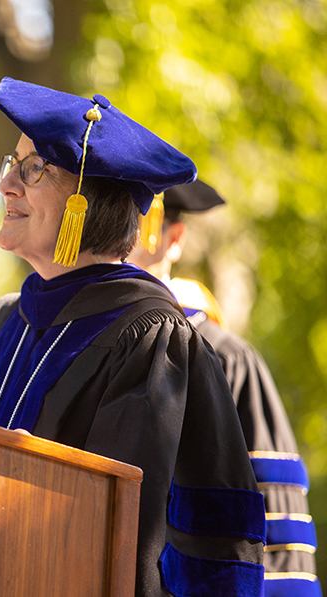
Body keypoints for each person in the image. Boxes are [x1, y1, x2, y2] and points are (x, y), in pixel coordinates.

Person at [0, 77, 265, 597]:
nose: (7, 185)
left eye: (34, 170)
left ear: (87, 201)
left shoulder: (152, 344)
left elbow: (140, 548)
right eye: (12, 165)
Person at [128, 180, 322, 597]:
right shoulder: (82, 344)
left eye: (136, 222)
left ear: (173, 239)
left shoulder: (225, 355)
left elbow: (275, 527)